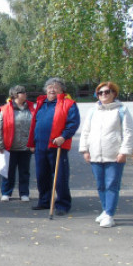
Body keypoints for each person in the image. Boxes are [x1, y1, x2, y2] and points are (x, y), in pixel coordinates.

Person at [79, 82, 133, 228]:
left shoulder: (121, 110)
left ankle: (109, 214)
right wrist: (85, 150)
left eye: (107, 92)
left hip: (114, 154)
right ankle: (105, 210)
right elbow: (86, 131)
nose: (104, 95)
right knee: (101, 185)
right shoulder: (93, 111)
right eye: (100, 93)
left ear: (114, 93)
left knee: (111, 185)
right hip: (95, 154)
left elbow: (128, 133)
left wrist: (124, 152)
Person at [27, 77, 80, 215]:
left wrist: (63, 136)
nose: (52, 89)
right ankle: (44, 201)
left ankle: (63, 204)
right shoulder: (41, 103)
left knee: (60, 177)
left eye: (55, 87)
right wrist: (32, 143)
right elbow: (34, 124)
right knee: (42, 176)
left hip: (57, 146)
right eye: (49, 86)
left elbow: (73, 123)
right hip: (40, 146)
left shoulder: (68, 104)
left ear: (61, 89)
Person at [0, 85, 34, 202]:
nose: (25, 94)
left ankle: (24, 193)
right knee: (8, 171)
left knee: (24, 172)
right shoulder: (5, 109)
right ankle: (6, 192)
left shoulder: (31, 109)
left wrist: (34, 144)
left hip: (26, 148)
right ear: (16, 95)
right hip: (9, 147)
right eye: (23, 92)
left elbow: (35, 127)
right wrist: (0, 144)